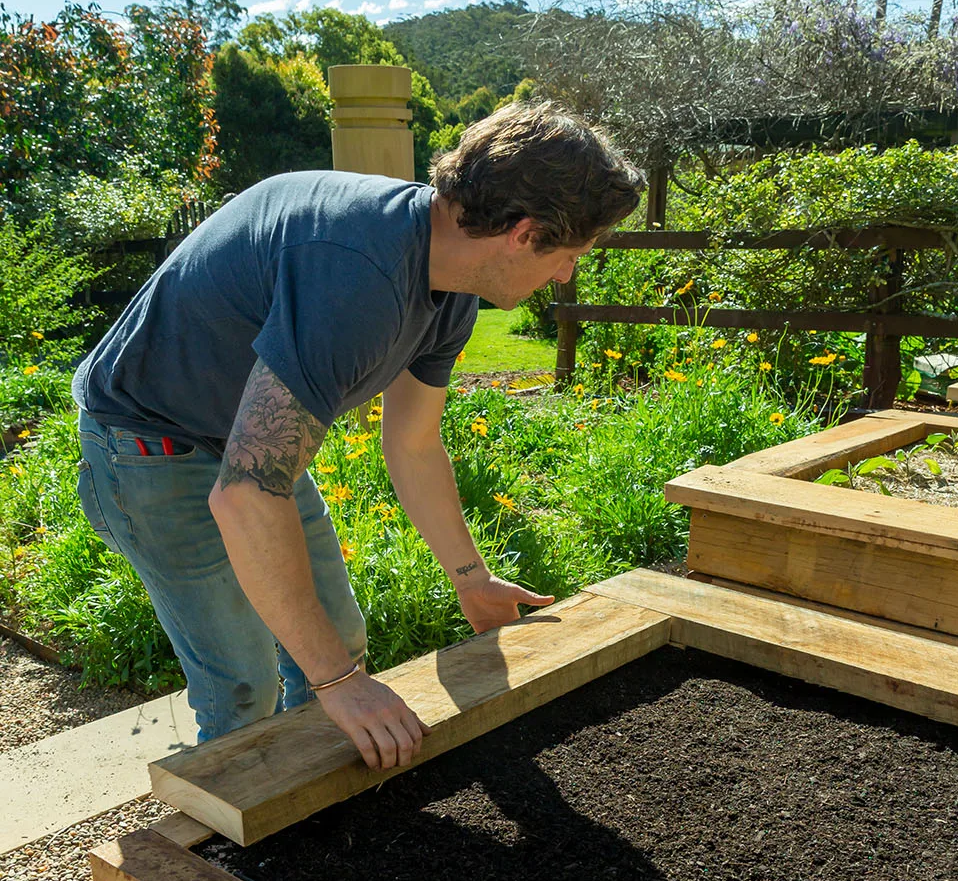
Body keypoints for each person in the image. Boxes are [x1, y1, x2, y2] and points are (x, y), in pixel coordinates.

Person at [72, 100, 644, 770]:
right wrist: (340, 685)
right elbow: (246, 497)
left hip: (242, 448)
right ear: (523, 233)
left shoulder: (452, 279)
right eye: (571, 253)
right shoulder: (357, 275)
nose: (567, 273)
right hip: (147, 447)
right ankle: (221, 854)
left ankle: (303, 815)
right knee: (243, 687)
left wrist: (471, 577)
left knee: (335, 641)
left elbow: (414, 444)